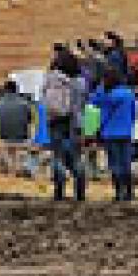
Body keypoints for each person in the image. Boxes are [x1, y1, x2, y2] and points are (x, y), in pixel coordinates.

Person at [41, 46, 88, 201]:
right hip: (77, 123)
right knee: (76, 157)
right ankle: (80, 190)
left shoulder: (53, 80)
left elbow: (45, 100)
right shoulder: (81, 83)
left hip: (57, 121)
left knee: (58, 156)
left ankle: (59, 190)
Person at [90, 72, 138, 201]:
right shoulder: (129, 94)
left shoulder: (107, 96)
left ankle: (119, 192)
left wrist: (100, 88)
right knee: (126, 163)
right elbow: (134, 113)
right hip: (126, 132)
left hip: (110, 133)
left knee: (115, 163)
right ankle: (129, 192)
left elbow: (93, 102)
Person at [0, 81, 36, 177]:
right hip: (22, 136)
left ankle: (9, 168)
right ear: (16, 90)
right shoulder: (25, 103)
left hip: (4, 136)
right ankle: (24, 168)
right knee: (30, 142)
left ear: (5, 90)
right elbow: (30, 119)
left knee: (8, 148)